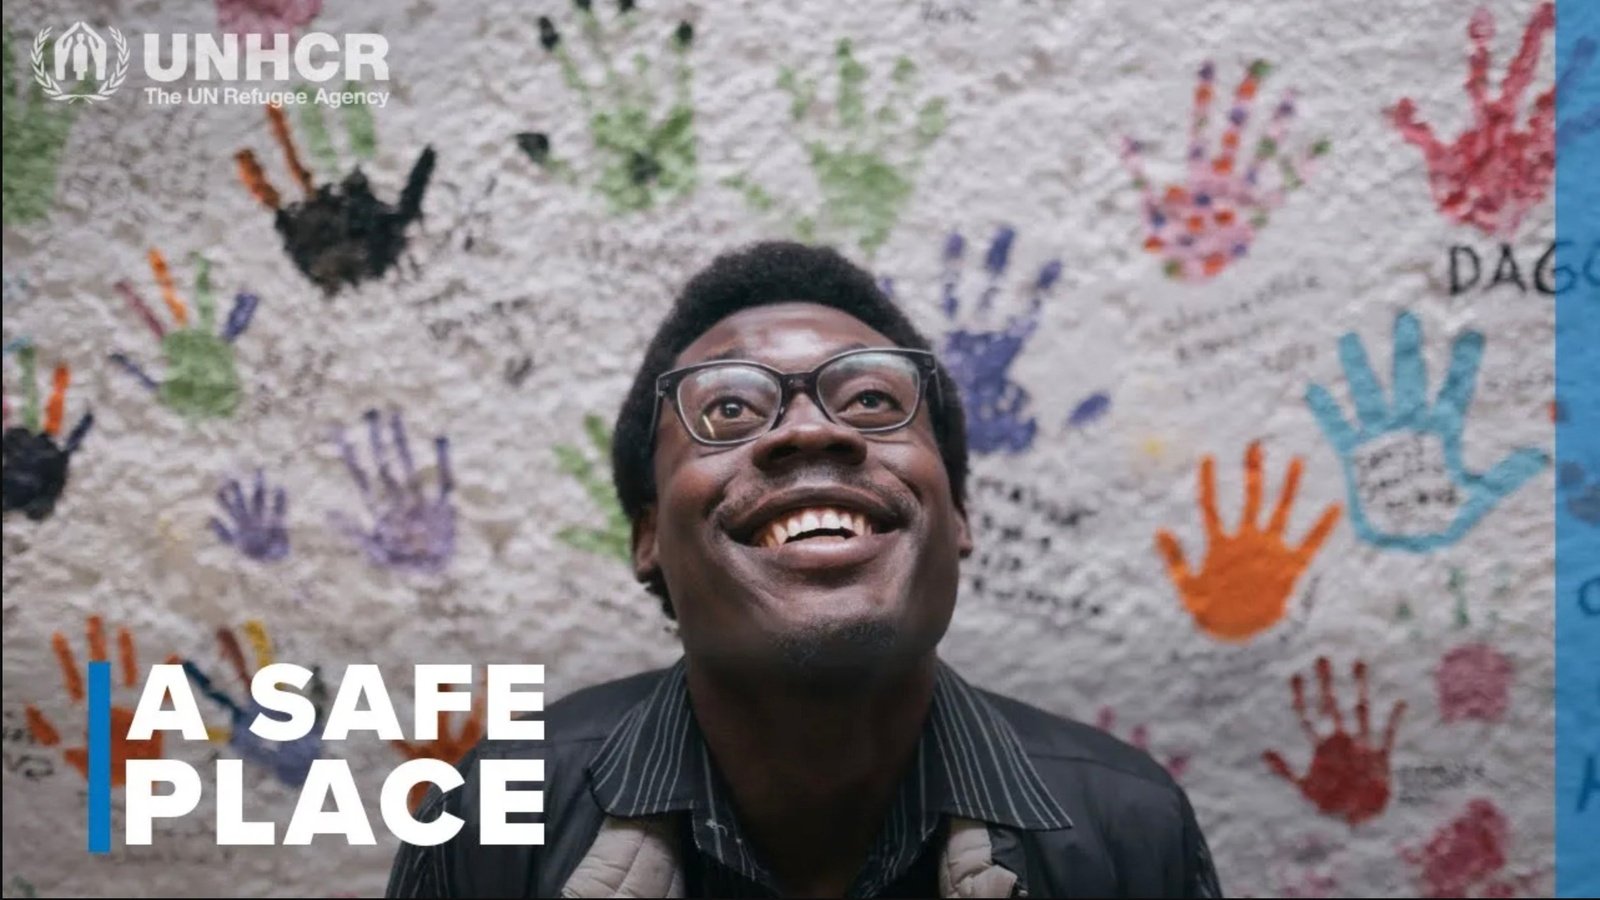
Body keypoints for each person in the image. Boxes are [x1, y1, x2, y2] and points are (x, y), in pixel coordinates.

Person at [386, 242, 1222, 898]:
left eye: (871, 401)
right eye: (729, 409)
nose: (811, 432)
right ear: (648, 537)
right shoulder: (492, 818)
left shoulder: (1129, 828)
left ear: (959, 515)